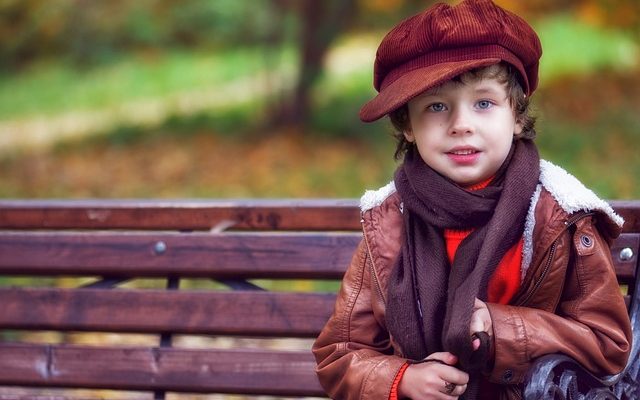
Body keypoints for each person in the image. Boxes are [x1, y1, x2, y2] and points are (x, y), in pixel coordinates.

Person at [311, 0, 632, 399]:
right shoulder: (391, 220)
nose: (461, 125)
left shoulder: (558, 217)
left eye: (483, 103)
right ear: (407, 125)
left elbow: (608, 345)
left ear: (515, 116)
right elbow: (339, 353)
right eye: (437, 106)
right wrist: (401, 380)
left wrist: (502, 329)